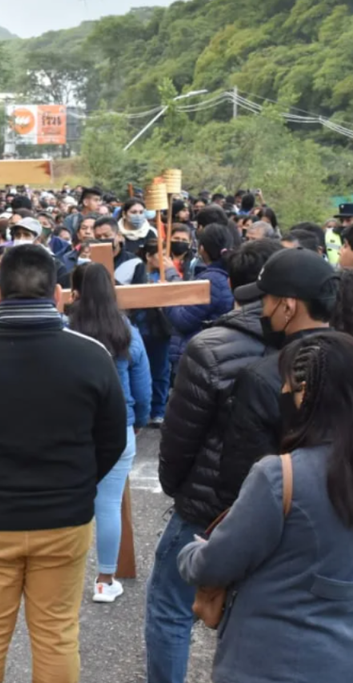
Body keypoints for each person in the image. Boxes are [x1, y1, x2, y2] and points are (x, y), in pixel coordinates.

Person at [0, 245, 126, 683]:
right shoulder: (92, 355)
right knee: (57, 634)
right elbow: (112, 438)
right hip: (65, 515)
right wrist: (79, 484)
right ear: (57, 294)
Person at [145, 238, 283, 683]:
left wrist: (181, 494)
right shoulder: (314, 344)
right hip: (287, 499)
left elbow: (179, 438)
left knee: (171, 606)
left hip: (207, 505)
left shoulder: (210, 346)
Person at [178, 332, 353, 683]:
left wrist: (191, 553)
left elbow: (216, 564)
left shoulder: (282, 476)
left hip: (266, 661)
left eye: (287, 385)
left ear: (305, 394)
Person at [217, 247, 338, 508]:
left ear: (288, 306)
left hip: (287, 523)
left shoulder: (264, 377)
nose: (261, 310)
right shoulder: (346, 356)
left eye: (266, 299)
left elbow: (241, 478)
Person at [68, 263, 150, 603]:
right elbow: (143, 386)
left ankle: (64, 577)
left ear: (75, 294)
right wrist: (140, 419)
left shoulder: (66, 329)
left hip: (73, 427)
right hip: (118, 424)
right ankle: (104, 579)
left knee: (70, 502)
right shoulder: (125, 330)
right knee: (109, 504)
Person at [164, 224, 235, 371]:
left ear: (201, 248)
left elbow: (183, 320)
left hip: (198, 356)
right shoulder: (222, 274)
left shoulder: (212, 281)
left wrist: (165, 296)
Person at [130, 240, 180, 426]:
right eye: (161, 254)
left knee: (160, 370)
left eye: (168, 254)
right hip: (139, 327)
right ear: (149, 256)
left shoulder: (169, 275)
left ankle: (158, 409)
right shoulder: (138, 272)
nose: (165, 259)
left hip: (160, 328)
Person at [93, 216, 145, 284]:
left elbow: (140, 292)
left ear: (119, 236)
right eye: (98, 237)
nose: (103, 239)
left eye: (107, 235)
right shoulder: (90, 262)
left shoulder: (135, 263)